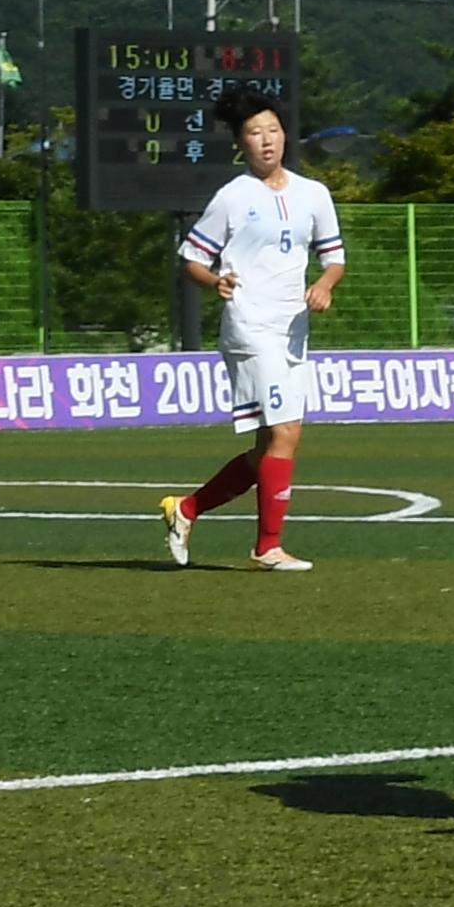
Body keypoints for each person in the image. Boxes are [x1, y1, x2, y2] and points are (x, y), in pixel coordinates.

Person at [161, 86, 345, 572]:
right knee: (286, 433)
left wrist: (325, 284)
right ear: (241, 143)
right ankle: (268, 546)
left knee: (269, 446)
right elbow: (192, 258)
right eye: (254, 133)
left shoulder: (314, 195)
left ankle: (186, 510)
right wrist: (214, 280)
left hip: (292, 330)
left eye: (272, 130)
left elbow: (334, 259)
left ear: (285, 134)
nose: (266, 140)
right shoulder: (233, 197)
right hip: (250, 326)